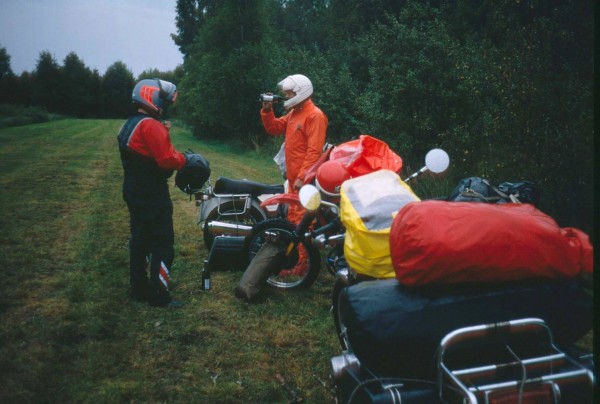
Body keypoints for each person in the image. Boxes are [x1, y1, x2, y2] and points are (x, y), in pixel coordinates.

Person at [117, 78, 186, 308]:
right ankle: (159, 294)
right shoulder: (150, 125)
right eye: (163, 100)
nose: (165, 105)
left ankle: (138, 288)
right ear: (152, 97)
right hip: (152, 193)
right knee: (162, 242)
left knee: (140, 239)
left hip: (134, 189)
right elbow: (166, 160)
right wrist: (182, 159)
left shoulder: (130, 123)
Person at [260, 74, 328, 275]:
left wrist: (302, 177)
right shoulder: (294, 113)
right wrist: (266, 110)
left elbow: (314, 152)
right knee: (293, 218)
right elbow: (274, 128)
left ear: (300, 92)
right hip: (293, 177)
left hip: (304, 179)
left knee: (301, 220)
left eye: (288, 93)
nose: (285, 96)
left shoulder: (315, 115)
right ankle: (297, 257)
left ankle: (301, 265)